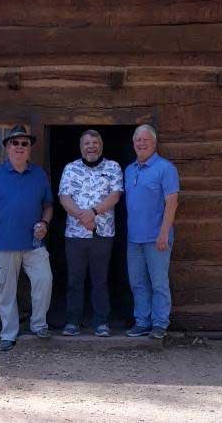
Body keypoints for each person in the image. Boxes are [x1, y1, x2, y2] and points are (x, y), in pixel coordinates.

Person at [0, 125, 54, 352]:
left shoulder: (39, 175)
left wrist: (44, 223)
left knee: (44, 280)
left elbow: (48, 206)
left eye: (24, 143)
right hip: (4, 244)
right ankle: (8, 334)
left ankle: (38, 325)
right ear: (7, 147)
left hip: (34, 244)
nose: (19, 147)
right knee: (6, 291)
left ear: (29, 149)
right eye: (15, 143)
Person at [58, 129, 123, 337]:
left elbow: (115, 195)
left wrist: (93, 212)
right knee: (75, 279)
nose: (91, 146)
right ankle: (72, 322)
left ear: (101, 146)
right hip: (75, 233)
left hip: (102, 232)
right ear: (81, 147)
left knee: (100, 279)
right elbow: (64, 197)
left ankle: (101, 322)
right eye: (87, 143)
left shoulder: (113, 167)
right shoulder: (70, 169)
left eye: (95, 143)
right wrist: (82, 216)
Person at [123, 124, 179, 339]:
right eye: (138, 140)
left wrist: (164, 233)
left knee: (158, 283)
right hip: (134, 239)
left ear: (154, 143)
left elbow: (172, 202)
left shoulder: (165, 168)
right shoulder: (129, 170)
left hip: (158, 238)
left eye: (146, 140)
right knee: (137, 283)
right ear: (133, 144)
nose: (141, 143)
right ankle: (142, 322)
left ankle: (160, 324)